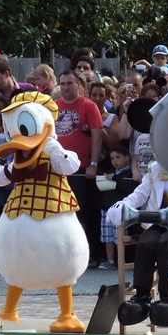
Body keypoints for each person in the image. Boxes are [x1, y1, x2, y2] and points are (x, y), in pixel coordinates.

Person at [106, 159, 168, 327]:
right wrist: (123, 205)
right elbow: (140, 194)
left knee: (166, 245)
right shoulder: (156, 168)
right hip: (157, 222)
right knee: (145, 245)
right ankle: (141, 296)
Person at [55, 70, 104, 263]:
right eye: (63, 83)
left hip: (82, 169)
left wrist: (93, 164)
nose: (66, 87)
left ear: (79, 85)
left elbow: (97, 137)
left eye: (69, 83)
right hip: (58, 169)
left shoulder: (89, 106)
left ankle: (88, 255)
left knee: (83, 213)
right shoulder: (54, 106)